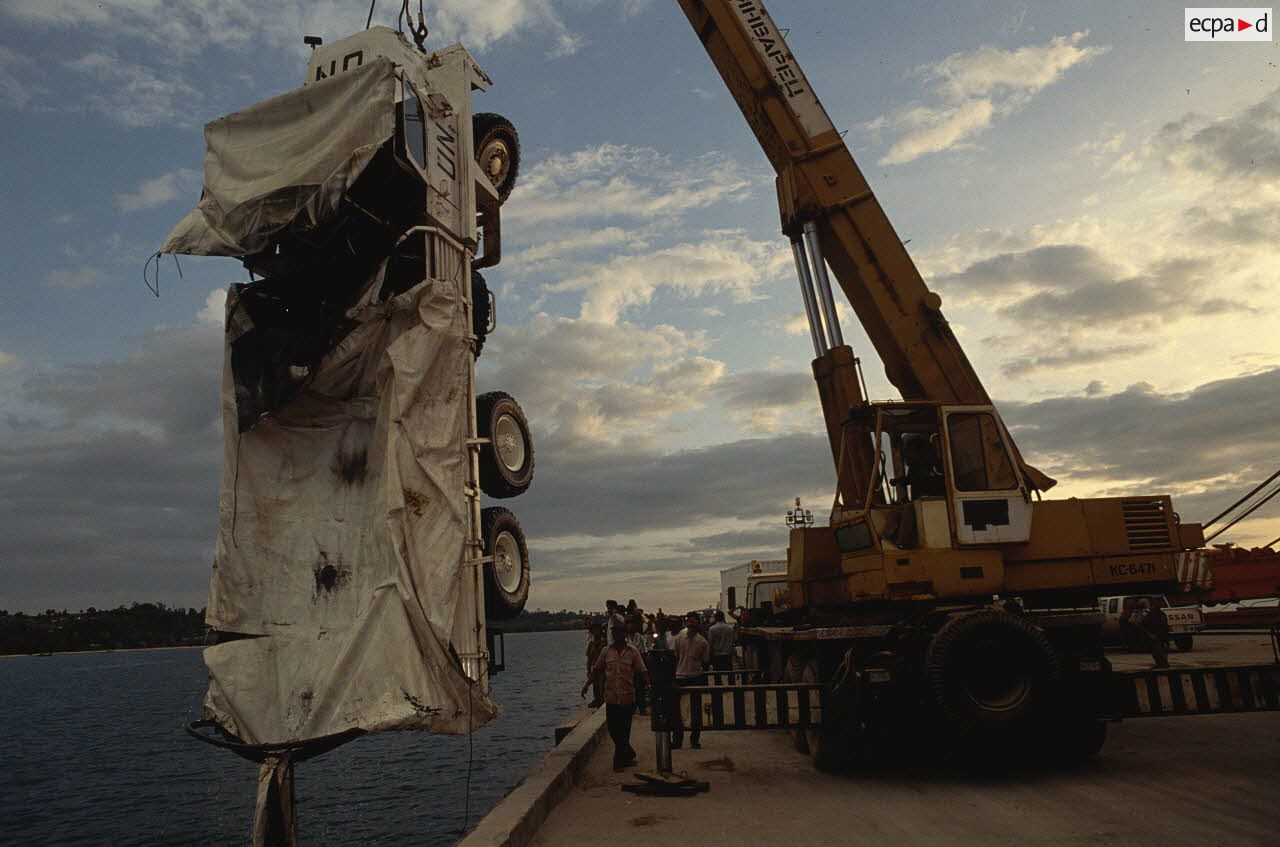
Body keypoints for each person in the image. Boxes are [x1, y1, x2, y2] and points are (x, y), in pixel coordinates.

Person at [581, 622, 649, 771]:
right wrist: (586, 685)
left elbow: (642, 671)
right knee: (613, 730)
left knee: (624, 731)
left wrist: (648, 685)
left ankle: (618, 762)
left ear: (625, 633)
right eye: (614, 632)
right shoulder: (606, 651)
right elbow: (597, 670)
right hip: (611, 697)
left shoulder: (633, 652)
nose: (616, 635)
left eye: (619, 632)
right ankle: (628, 754)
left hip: (627, 697)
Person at [671, 613, 711, 749]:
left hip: (694, 677)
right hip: (681, 676)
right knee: (677, 711)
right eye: (690, 623)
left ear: (697, 625)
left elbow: (705, 662)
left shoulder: (702, 642)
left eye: (693, 624)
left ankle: (694, 739)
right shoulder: (680, 639)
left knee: (696, 710)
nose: (691, 626)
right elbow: (675, 658)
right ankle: (678, 739)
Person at [1137, 597, 1171, 668]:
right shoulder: (1151, 614)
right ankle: (1161, 664)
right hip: (1156, 636)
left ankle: (1163, 664)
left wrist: (1153, 635)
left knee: (1159, 651)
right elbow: (1142, 624)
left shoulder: (1159, 614)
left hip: (1159, 636)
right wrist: (1149, 634)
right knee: (1157, 651)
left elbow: (1164, 626)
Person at [626, 617, 650, 714]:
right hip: (627, 668)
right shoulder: (624, 638)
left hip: (638, 666)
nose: (631, 626)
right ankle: (630, 709)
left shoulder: (640, 637)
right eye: (629, 624)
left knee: (640, 689)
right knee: (629, 689)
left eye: (632, 624)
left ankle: (642, 709)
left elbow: (644, 652)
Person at [585, 622, 607, 707]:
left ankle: (602, 702)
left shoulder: (604, 643)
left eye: (597, 630)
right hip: (594, 668)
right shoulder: (591, 644)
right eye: (594, 631)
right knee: (595, 686)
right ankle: (597, 701)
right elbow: (589, 658)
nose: (595, 632)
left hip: (603, 668)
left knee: (602, 686)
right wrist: (588, 669)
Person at [707, 609, 735, 675]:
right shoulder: (730, 628)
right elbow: (732, 641)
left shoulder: (712, 629)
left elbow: (710, 643)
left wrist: (709, 655)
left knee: (717, 675)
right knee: (730, 674)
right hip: (727, 654)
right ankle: (732, 685)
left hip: (716, 655)